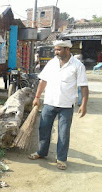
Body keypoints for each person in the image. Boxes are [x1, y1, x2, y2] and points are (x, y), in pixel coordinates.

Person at [28, 39, 89, 170]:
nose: (56, 52)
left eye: (58, 49)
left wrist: (83, 104)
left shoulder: (77, 66)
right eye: (55, 49)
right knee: (43, 129)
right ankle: (41, 152)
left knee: (63, 133)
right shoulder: (51, 63)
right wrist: (37, 97)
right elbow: (43, 81)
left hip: (66, 106)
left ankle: (61, 159)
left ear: (67, 50)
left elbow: (83, 87)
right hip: (49, 103)